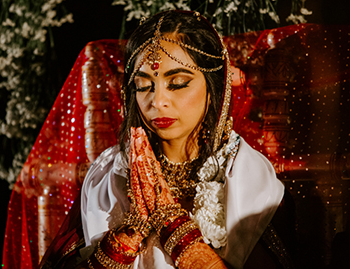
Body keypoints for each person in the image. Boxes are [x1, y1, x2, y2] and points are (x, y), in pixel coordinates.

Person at [40, 10, 296, 269]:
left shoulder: (245, 176)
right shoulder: (110, 174)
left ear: (213, 86)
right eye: (143, 86)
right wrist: (125, 239)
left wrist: (173, 225)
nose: (157, 101)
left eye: (178, 83)